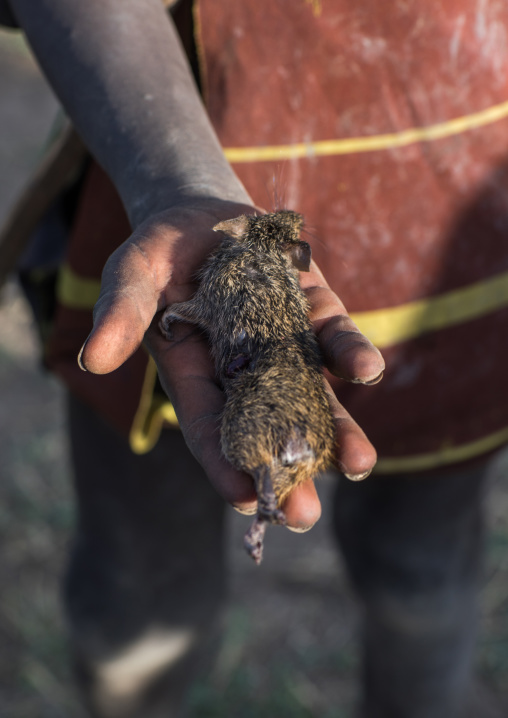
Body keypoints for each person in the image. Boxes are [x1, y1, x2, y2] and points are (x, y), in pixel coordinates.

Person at [2, 1, 508, 716]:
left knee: (422, 576)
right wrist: (177, 183)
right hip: (172, 126)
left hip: (460, 192)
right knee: (138, 600)